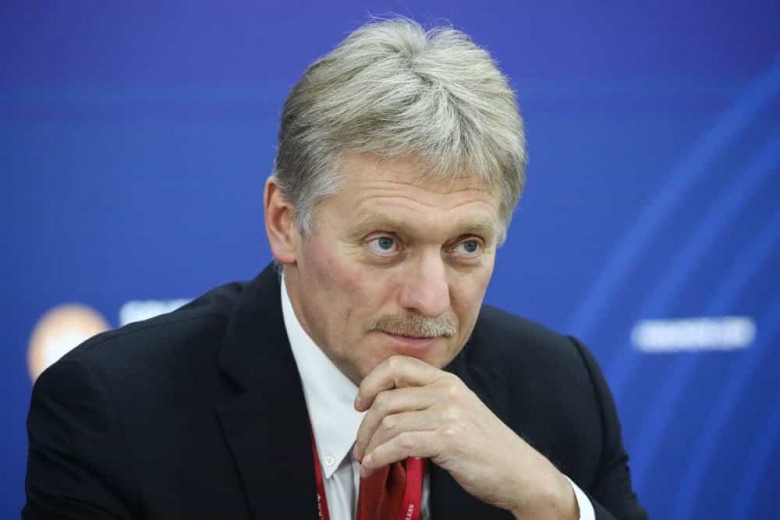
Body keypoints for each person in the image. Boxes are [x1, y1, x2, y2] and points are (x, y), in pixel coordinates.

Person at [24, 18, 647, 520]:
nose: (431, 299)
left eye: (466, 246)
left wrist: (550, 503)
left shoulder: (559, 389)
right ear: (284, 223)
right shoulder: (116, 410)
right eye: (385, 243)